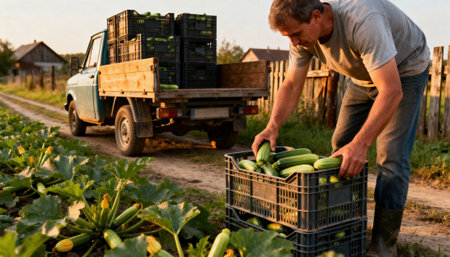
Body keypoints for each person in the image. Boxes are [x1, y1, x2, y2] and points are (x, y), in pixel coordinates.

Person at [252, 0, 430, 256]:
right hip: (362, 75)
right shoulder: (303, 37)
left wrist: (361, 145)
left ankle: (383, 244)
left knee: (391, 156)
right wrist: (272, 126)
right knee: (341, 144)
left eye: (295, 34)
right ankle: (344, 222)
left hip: (404, 69)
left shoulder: (363, 21)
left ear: (316, 16)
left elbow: (391, 91)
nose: (292, 42)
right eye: (287, 36)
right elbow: (291, 84)